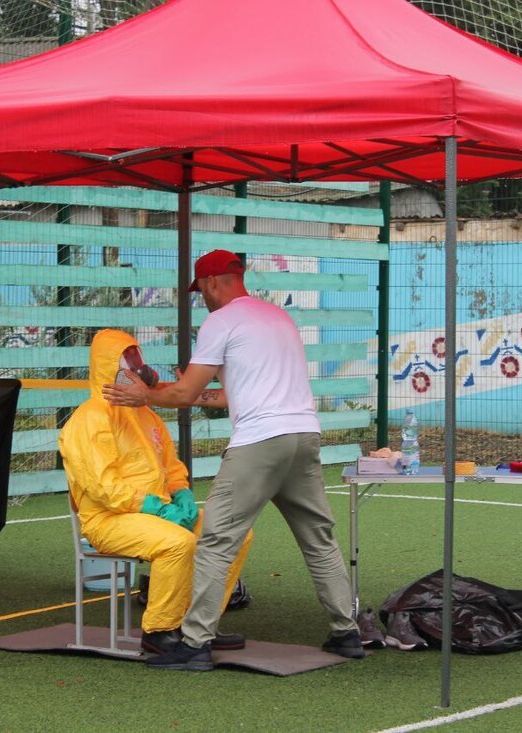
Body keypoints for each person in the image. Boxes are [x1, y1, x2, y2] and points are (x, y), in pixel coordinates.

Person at [103, 250, 364, 671]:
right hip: (304, 436)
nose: (199, 298)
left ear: (210, 282)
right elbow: (223, 396)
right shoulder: (278, 318)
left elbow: (187, 396)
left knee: (216, 540)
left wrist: (145, 395)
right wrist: (164, 388)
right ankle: (346, 633)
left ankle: (194, 644)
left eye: (199, 290)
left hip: (260, 442)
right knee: (319, 540)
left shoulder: (220, 321)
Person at [58, 328, 252, 655]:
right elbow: (104, 487)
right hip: (108, 520)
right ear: (110, 366)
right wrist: (156, 507)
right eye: (130, 360)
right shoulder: (89, 420)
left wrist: (181, 495)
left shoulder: (145, 414)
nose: (140, 369)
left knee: (234, 533)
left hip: (156, 512)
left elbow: (171, 467)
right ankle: (159, 630)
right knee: (178, 543)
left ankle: (201, 624)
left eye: (138, 359)